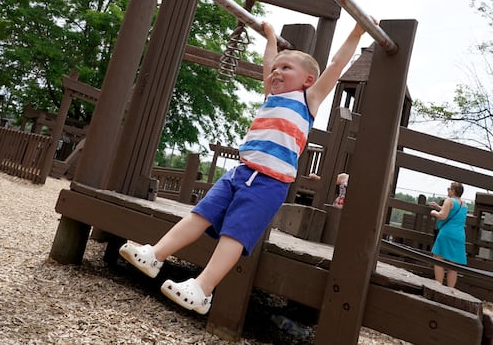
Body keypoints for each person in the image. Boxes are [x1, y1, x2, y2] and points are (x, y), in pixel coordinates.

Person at [119, 19, 373, 314]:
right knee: (199, 215)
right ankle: (155, 255)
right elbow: (268, 63)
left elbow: (336, 65)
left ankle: (203, 289)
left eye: (286, 68)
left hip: (269, 183)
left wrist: (356, 33)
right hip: (240, 172)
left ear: (308, 80)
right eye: (275, 69)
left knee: (235, 234)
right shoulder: (271, 97)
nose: (276, 72)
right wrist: (269, 39)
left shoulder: (307, 100)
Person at [429, 181, 468, 288]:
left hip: (447, 233)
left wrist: (433, 212)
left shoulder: (449, 200)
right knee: (453, 265)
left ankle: (439, 286)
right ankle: (450, 290)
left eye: (449, 189)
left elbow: (442, 216)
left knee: (438, 259)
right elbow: (451, 212)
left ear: (453, 191)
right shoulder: (464, 205)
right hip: (459, 236)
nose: (448, 191)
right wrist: (439, 207)